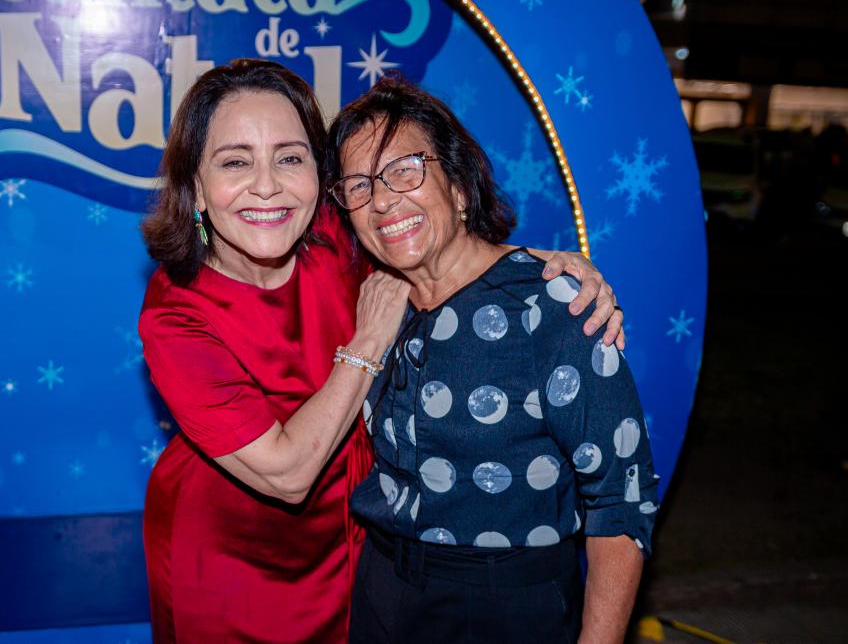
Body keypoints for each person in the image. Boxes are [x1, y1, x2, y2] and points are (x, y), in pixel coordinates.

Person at [138, 59, 624, 643]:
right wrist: (367, 341)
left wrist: (542, 265)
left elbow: (439, 236)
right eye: (235, 161)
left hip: (365, 542)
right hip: (230, 554)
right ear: (195, 186)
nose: (267, 186)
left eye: (290, 158)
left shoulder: (337, 234)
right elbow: (288, 474)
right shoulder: (174, 315)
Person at [327, 75, 656, 644]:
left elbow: (620, 499)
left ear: (458, 186)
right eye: (359, 185)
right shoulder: (377, 301)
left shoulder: (551, 306)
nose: (381, 200)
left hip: (505, 607)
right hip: (383, 590)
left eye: (405, 169)